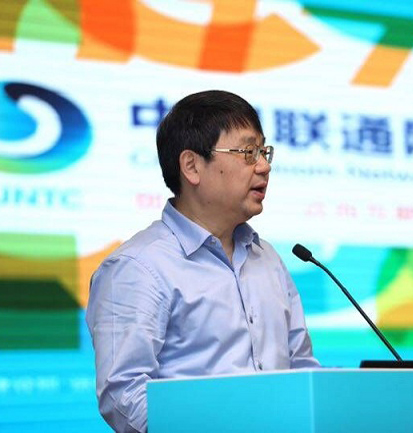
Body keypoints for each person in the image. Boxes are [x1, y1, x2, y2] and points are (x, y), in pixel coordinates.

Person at [85, 90, 320, 432]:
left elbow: (301, 369)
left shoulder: (267, 259)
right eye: (248, 152)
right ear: (192, 166)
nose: (264, 166)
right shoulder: (138, 268)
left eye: (264, 151)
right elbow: (125, 396)